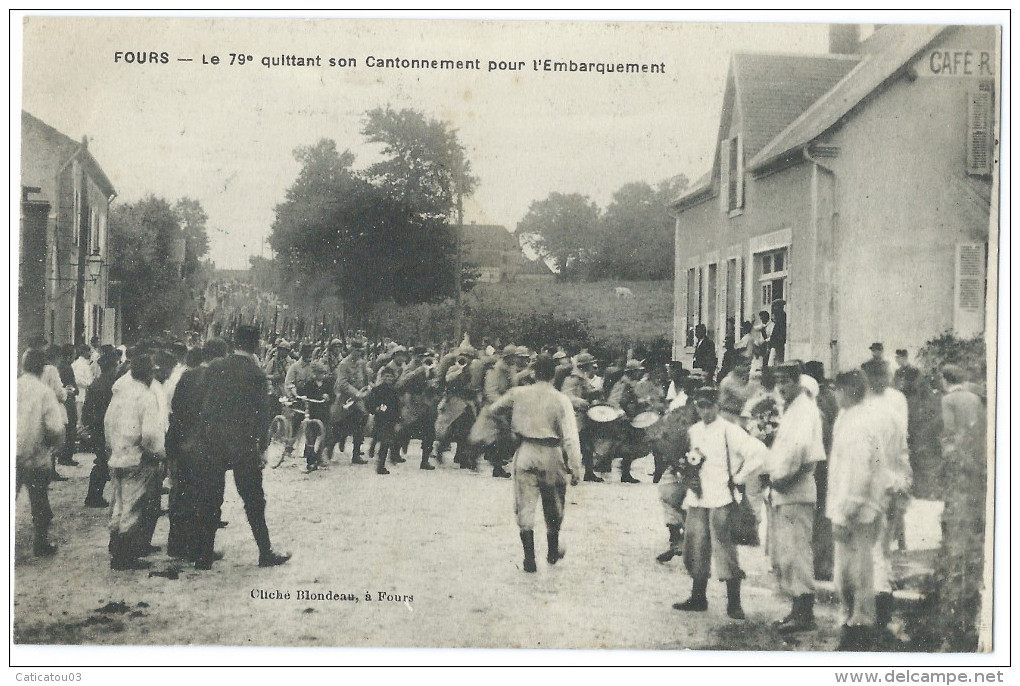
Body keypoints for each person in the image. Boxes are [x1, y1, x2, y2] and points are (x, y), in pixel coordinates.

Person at [193, 326, 290, 570]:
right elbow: (262, 416)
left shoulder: (214, 367)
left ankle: (203, 555)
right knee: (254, 500)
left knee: (210, 498)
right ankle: (265, 552)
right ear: (256, 345)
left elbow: (201, 402)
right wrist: (262, 447)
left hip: (213, 441)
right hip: (243, 444)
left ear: (234, 342)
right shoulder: (256, 374)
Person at [673, 386, 768, 619]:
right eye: (700, 406)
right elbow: (688, 460)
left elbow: (759, 453)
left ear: (717, 405)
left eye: (709, 405)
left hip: (721, 499)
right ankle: (698, 597)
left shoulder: (730, 431)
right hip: (697, 499)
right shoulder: (693, 430)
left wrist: (739, 477)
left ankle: (734, 603)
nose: (704, 411)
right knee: (695, 546)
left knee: (724, 549)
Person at [486, 355, 583, 573]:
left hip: (526, 450)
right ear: (553, 374)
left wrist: (513, 421)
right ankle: (551, 551)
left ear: (533, 373)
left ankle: (529, 558)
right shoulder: (561, 399)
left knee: (525, 506)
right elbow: (570, 436)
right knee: (554, 504)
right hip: (552, 452)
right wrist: (576, 467)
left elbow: (494, 409)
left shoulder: (519, 393)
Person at [763, 361, 826, 634]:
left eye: (786, 381)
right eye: (778, 381)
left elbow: (805, 456)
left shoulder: (805, 410)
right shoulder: (791, 409)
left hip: (795, 491)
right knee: (787, 552)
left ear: (797, 382)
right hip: (783, 491)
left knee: (798, 552)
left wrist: (782, 480)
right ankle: (796, 609)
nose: (781, 386)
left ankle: (804, 613)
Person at [827, 370, 887, 651]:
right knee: (848, 571)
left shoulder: (860, 423)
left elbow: (860, 472)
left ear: (848, 391)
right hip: (849, 507)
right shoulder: (847, 418)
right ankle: (851, 620)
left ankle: (859, 627)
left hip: (858, 510)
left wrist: (846, 511)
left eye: (838, 389)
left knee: (857, 571)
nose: (836, 394)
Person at [860, 358, 911, 634]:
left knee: (871, 550)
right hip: (891, 485)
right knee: (882, 549)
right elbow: (903, 452)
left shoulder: (864, 412)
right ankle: (882, 612)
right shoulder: (893, 410)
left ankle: (875, 615)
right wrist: (903, 483)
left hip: (872, 488)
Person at [104, 354, 165, 570]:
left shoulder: (120, 393)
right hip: (137, 457)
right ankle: (124, 556)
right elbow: (149, 435)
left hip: (117, 455)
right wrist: (158, 454)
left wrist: (111, 447)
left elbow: (107, 422)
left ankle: (115, 545)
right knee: (132, 506)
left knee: (118, 504)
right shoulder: (146, 396)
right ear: (148, 373)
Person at [17, 349, 66, 557]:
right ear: (41, 368)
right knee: (39, 502)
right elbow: (55, 427)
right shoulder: (44, 392)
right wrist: (55, 444)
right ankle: (40, 542)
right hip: (35, 456)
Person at [166, 346, 206, 561]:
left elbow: (175, 407)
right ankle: (192, 546)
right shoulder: (204, 378)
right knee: (196, 495)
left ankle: (176, 544)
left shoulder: (184, 377)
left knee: (179, 494)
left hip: (179, 441)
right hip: (196, 444)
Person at [82, 350, 120, 508]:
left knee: (101, 460)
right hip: (106, 428)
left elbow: (86, 409)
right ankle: (93, 497)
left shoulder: (95, 383)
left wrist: (88, 425)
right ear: (112, 367)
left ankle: (94, 496)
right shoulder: (112, 385)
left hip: (96, 427)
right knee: (103, 463)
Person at [560, 352, 604, 483]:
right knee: (570, 444)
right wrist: (581, 402)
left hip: (582, 417)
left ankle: (589, 472)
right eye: (591, 364)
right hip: (575, 416)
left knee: (587, 445)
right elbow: (566, 396)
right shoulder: (573, 379)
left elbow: (586, 392)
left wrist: (596, 392)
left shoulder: (582, 378)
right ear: (585, 366)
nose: (593, 367)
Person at [328, 340, 372, 464]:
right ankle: (330, 447)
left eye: (360, 351)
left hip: (359, 400)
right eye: (357, 350)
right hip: (345, 399)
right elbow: (342, 383)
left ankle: (356, 454)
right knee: (340, 425)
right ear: (351, 350)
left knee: (361, 421)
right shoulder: (344, 364)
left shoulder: (362, 363)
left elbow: (366, 379)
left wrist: (368, 388)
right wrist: (355, 392)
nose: (359, 353)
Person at [481, 344, 520, 479]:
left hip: (507, 408)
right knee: (499, 438)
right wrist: (504, 404)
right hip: (495, 408)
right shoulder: (495, 370)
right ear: (508, 357)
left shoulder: (511, 369)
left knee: (505, 438)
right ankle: (497, 467)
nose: (516, 360)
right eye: (514, 357)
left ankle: (499, 466)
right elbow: (490, 391)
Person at [365, 366, 401, 475]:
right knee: (384, 441)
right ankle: (380, 466)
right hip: (380, 418)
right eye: (387, 376)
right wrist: (375, 409)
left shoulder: (394, 391)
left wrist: (398, 419)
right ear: (382, 377)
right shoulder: (377, 390)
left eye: (391, 376)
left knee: (385, 441)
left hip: (391, 419)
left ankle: (381, 462)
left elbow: (397, 406)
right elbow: (369, 404)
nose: (389, 378)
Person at [768, 299, 787, 366]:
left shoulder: (781, 316)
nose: (774, 308)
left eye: (775, 306)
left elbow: (779, 331)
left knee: (775, 362)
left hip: (778, 343)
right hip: (776, 343)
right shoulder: (779, 316)